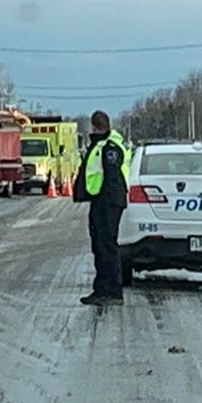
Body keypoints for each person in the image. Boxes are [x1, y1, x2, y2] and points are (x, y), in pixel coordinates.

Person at [73, 110, 131, 306]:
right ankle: (104, 289)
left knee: (105, 246)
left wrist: (108, 200)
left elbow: (112, 176)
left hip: (107, 201)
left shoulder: (108, 147)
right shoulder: (106, 144)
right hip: (104, 200)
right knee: (101, 245)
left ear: (95, 126)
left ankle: (110, 291)